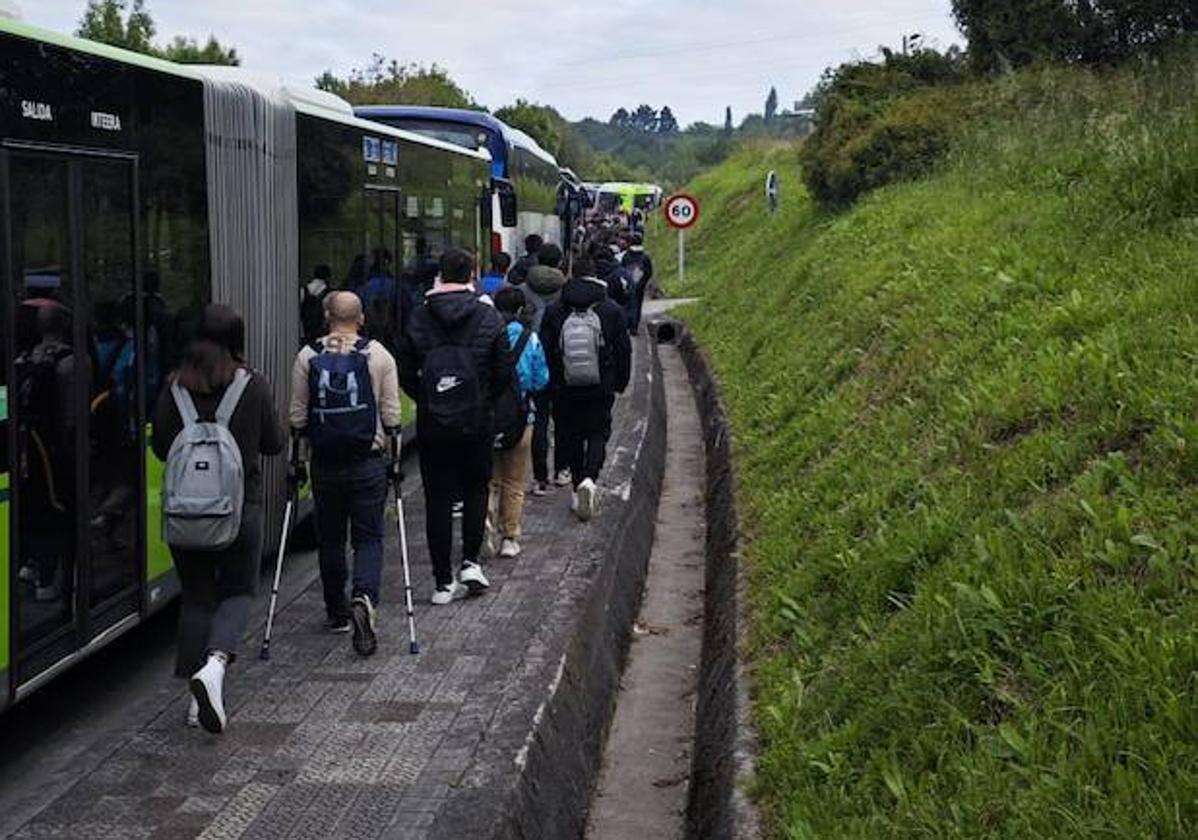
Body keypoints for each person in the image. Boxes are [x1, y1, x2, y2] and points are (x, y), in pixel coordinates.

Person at [151, 304, 284, 733]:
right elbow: (274, 443)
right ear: (237, 340)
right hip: (241, 510)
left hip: (186, 512)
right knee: (238, 592)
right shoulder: (252, 385)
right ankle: (215, 666)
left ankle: (194, 703)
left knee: (197, 597)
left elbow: (159, 446)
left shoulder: (175, 387)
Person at [289, 291, 401, 657]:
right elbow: (392, 416)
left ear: (326, 315)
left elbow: (298, 417)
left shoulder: (308, 356)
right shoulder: (379, 355)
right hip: (367, 462)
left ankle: (337, 612)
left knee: (332, 538)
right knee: (368, 538)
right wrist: (394, 463)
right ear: (362, 318)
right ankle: (364, 597)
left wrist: (298, 462)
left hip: (325, 463)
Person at [399, 248, 512, 604]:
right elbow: (503, 370)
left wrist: (428, 399)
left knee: (438, 499)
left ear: (440, 275)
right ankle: (470, 563)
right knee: (477, 488)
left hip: (433, 424)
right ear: (471, 275)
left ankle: (441, 582)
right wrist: (483, 401)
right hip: (476, 421)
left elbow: (404, 370)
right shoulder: (488, 316)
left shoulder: (419, 317)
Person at [540, 252, 631, 521]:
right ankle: (590, 480)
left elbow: (546, 349)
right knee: (597, 433)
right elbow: (623, 349)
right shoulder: (610, 309)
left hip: (563, 388)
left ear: (571, 275)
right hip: (600, 386)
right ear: (596, 276)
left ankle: (577, 481)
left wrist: (552, 383)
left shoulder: (555, 309)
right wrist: (620, 382)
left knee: (570, 437)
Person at [488, 287, 548, 556]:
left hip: (488, 417)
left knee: (489, 480)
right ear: (522, 310)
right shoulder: (530, 338)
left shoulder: (484, 336)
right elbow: (540, 380)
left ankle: (484, 526)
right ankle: (510, 538)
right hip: (522, 416)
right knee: (514, 481)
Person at [523, 243, 569, 494]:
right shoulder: (568, 294)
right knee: (563, 420)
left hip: (531, 364)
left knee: (538, 421)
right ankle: (562, 469)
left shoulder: (521, 289)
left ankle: (540, 477)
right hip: (561, 366)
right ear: (560, 262)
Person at [621, 233, 655, 335]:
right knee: (638, 305)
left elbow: (622, 269)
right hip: (640, 286)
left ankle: (628, 324)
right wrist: (643, 282)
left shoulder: (626, 256)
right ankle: (635, 326)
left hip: (628, 285)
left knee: (628, 304)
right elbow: (649, 272)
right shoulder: (645, 257)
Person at [300, 264, 332, 346]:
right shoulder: (329, 292)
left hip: (306, 328)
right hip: (322, 330)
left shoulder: (304, 290)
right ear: (328, 277)